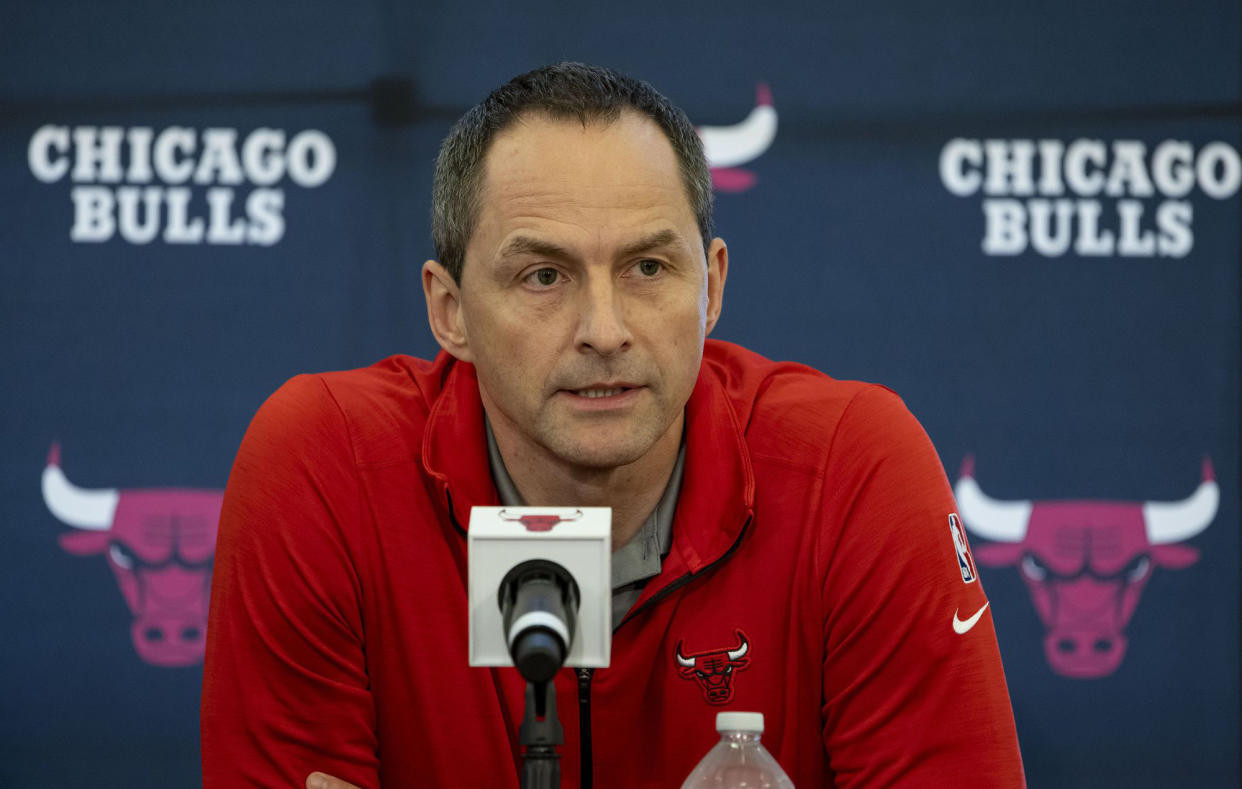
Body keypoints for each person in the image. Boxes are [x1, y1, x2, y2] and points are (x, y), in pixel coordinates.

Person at [201, 62, 1025, 788]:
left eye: (648, 267)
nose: (604, 328)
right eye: (544, 274)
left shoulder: (850, 467)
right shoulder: (327, 465)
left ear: (711, 288)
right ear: (449, 311)